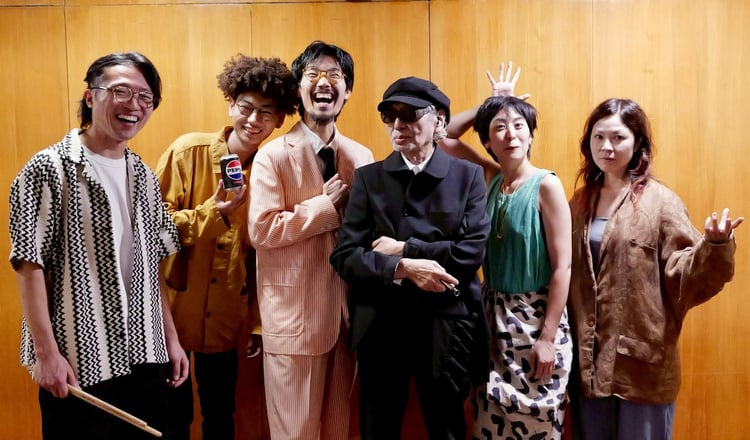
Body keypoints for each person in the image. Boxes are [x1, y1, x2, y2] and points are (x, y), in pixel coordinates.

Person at [9, 52, 189, 440]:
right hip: (79, 359)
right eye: (121, 91)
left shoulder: (143, 174)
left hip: (146, 354)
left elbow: (152, 265)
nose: (134, 104)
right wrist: (46, 354)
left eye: (145, 97)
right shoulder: (48, 167)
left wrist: (171, 340)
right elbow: (28, 263)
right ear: (90, 96)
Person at [567, 98, 743, 439]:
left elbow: (686, 274)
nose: (607, 146)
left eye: (618, 137)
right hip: (587, 363)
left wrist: (716, 245)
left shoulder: (661, 202)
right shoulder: (580, 202)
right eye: (598, 137)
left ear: (637, 144)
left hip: (641, 365)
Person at [330, 76, 491, 439]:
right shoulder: (369, 179)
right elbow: (345, 256)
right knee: (378, 428)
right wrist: (402, 268)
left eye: (409, 114)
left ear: (439, 119)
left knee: (446, 427)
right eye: (390, 116)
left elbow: (470, 254)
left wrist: (406, 249)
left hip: (446, 324)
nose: (398, 125)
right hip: (382, 326)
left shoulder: (467, 177)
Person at [155, 54, 298, 440]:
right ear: (231, 104)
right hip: (172, 315)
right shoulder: (188, 152)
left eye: (266, 112)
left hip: (226, 320)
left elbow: (263, 256)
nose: (253, 120)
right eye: (246, 107)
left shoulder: (272, 171)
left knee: (220, 418)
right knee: (172, 419)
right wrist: (212, 212)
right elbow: (152, 228)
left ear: (279, 120)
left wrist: (255, 322)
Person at [247, 40, 373, 440]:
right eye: (313, 74)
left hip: (345, 322)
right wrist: (325, 206)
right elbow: (262, 230)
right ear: (299, 87)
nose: (324, 82)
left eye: (335, 75)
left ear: (347, 90)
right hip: (293, 323)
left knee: (338, 431)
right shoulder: (272, 156)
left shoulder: (361, 157)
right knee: (295, 434)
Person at [468, 96, 572, 439]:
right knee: (489, 423)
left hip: (536, 317)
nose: (511, 134)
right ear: (487, 141)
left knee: (536, 423)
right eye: (499, 127)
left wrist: (548, 338)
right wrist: (489, 103)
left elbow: (563, 266)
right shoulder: (490, 178)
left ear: (530, 135)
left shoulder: (547, 185)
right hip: (492, 318)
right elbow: (445, 137)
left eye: (519, 126)